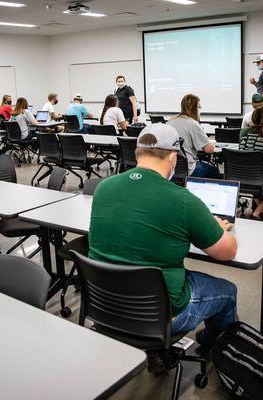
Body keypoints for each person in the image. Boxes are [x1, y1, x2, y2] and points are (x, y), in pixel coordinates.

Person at [89, 123, 237, 352]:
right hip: (162, 315)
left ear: (138, 153)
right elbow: (228, 252)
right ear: (172, 158)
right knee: (228, 291)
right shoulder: (182, 199)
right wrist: (219, 227)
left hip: (106, 306)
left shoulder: (103, 188)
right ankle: (213, 346)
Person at [168, 94, 219, 179]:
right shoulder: (193, 124)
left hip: (171, 168)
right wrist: (212, 144)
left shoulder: (170, 121)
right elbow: (209, 150)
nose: (200, 109)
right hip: (189, 169)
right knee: (215, 172)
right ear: (194, 108)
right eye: (199, 107)